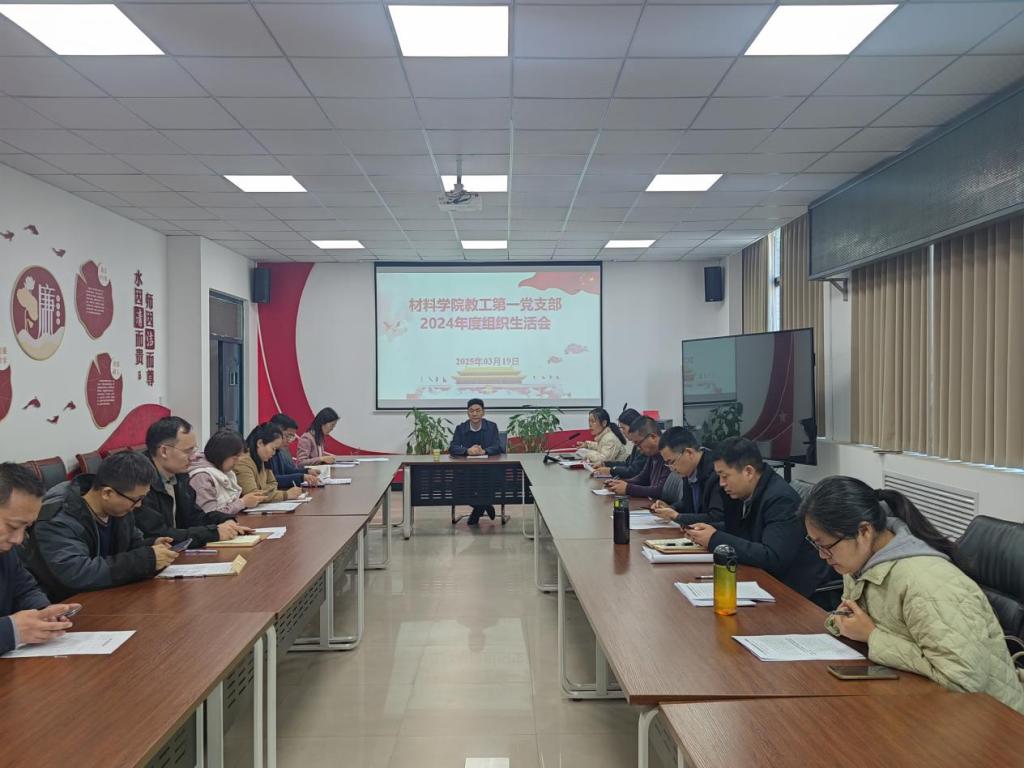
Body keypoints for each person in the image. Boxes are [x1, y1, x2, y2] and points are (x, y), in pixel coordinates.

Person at [802, 476, 1024, 714]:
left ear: (864, 531)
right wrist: (842, 622)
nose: (822, 555)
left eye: (826, 546)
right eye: (816, 545)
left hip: (990, 718)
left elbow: (963, 680)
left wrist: (873, 637)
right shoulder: (858, 563)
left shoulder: (927, 582)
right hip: (916, 697)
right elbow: (855, 621)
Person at [684, 437, 835, 601]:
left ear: (748, 472)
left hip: (793, 588)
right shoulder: (745, 492)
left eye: (725, 476)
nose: (721, 483)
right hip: (761, 577)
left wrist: (714, 538)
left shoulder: (780, 499)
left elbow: (773, 557)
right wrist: (707, 530)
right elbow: (739, 529)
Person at [21, 452, 179, 602]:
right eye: (137, 499)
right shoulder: (59, 518)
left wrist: (152, 546)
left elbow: (131, 545)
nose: (139, 505)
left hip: (108, 596)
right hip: (67, 604)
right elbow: (77, 573)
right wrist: (146, 559)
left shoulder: (119, 509)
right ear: (107, 493)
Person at [136, 416, 252, 547]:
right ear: (164, 451)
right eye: (188, 451)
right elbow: (159, 534)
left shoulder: (180, 475)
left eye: (194, 450)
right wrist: (213, 533)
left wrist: (225, 520)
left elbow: (195, 516)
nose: (193, 457)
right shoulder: (140, 482)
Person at [0, 463, 79, 654]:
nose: (19, 539)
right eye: (13, 526)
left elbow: (24, 589)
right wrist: (12, 631)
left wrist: (43, 612)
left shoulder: (5, 550)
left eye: (26, 528)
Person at [651, 427, 725, 527]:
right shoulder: (689, 469)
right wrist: (671, 508)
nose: (671, 469)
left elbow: (716, 517)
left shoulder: (716, 472)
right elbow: (688, 503)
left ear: (689, 453)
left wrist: (677, 517)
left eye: (672, 462)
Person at [188, 429, 268, 516]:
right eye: (235, 458)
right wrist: (243, 502)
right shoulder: (202, 477)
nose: (237, 462)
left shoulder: (224, 470)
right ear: (221, 454)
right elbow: (210, 515)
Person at [449, 398, 502, 525]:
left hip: (488, 470)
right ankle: (485, 506)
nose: (474, 413)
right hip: (466, 470)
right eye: (471, 411)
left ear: (483, 412)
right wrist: (467, 451)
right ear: (467, 413)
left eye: (478, 410)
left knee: (490, 482)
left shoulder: (492, 427)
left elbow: (498, 446)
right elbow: (453, 447)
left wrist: (484, 451)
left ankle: (478, 510)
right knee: (457, 487)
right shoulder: (461, 428)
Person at [234, 422, 306, 502]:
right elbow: (254, 495)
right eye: (273, 449)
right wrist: (286, 494)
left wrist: (264, 491)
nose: (274, 453)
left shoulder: (262, 460)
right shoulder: (243, 462)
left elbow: (273, 483)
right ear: (260, 443)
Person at [604, 416, 670, 500]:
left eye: (638, 443)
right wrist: (620, 483)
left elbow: (661, 490)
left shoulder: (668, 455)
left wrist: (628, 488)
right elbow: (642, 478)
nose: (638, 449)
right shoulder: (652, 453)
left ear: (653, 437)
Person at [269, 413, 320, 489]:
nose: (289, 441)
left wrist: (306, 472)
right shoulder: (266, 452)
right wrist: (302, 477)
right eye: (287, 436)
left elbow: (286, 470)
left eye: (291, 437)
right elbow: (272, 480)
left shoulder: (278, 451)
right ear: (276, 432)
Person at [591, 408, 644, 478]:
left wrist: (611, 471)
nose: (622, 431)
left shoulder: (644, 447)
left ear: (634, 427)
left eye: (623, 428)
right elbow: (627, 464)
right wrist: (605, 464)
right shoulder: (636, 445)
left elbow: (633, 472)